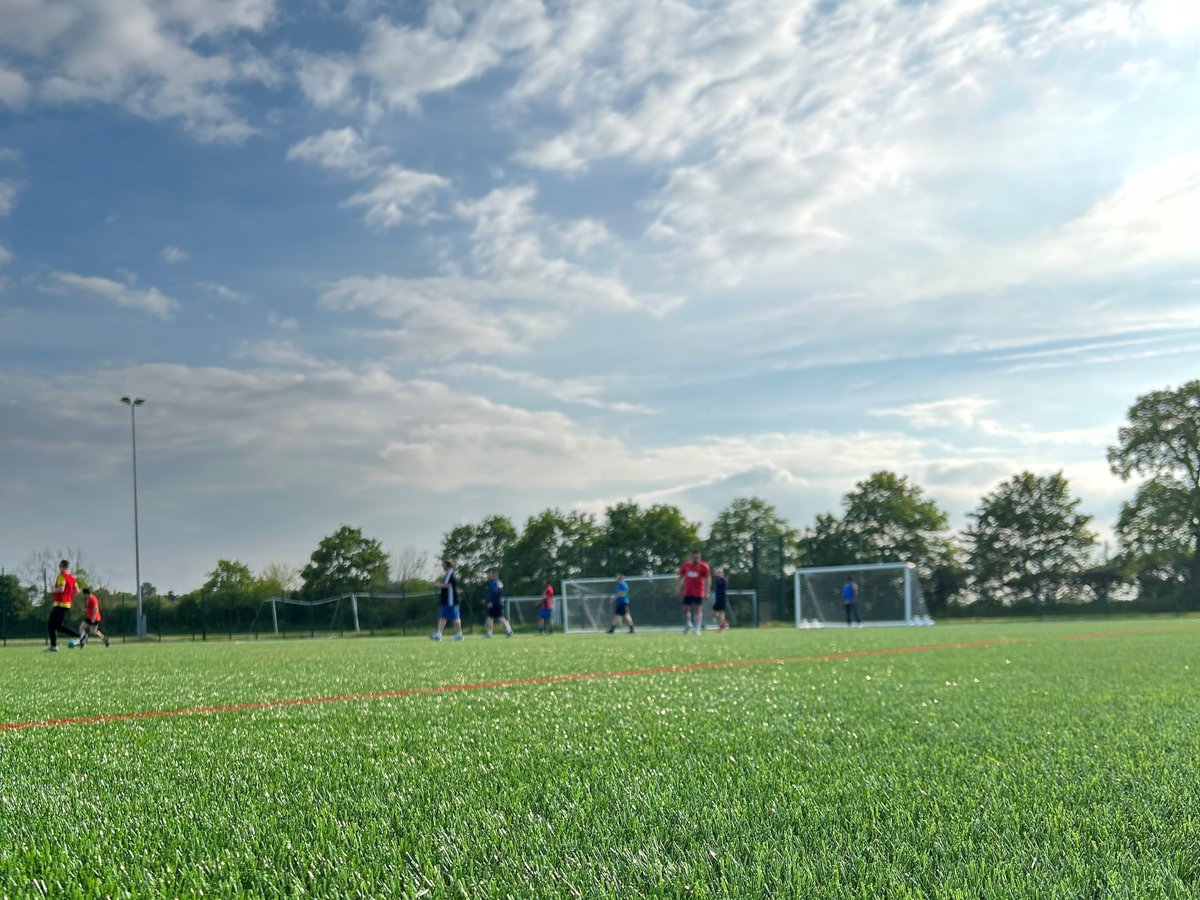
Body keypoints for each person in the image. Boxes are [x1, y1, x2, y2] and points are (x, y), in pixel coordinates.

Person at [46, 559, 80, 652]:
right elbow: (77, 591)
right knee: (53, 625)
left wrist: (53, 590)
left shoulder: (61, 576)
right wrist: (69, 594)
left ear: (61, 567)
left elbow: (61, 589)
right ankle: (53, 646)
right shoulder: (72, 578)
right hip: (66, 604)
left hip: (60, 604)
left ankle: (80, 636)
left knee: (56, 625)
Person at [677, 550, 710, 634]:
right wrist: (678, 588)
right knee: (685, 609)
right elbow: (681, 577)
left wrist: (707, 592)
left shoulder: (704, 566)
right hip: (688, 591)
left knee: (697, 610)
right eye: (695, 558)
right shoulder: (685, 565)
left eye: (698, 558)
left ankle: (697, 628)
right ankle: (688, 623)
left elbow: (708, 579)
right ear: (691, 557)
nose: (696, 559)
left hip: (699, 592)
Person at [430, 559, 464, 641]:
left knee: (455, 617)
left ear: (448, 565)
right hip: (448, 600)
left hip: (451, 600)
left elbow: (447, 585)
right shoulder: (448, 574)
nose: (443, 566)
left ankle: (459, 635)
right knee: (443, 617)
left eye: (444, 565)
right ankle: (439, 634)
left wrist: (437, 584)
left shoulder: (450, 574)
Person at [482, 568, 512, 638]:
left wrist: (488, 601)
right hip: (497, 602)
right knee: (495, 618)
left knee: (493, 618)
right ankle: (508, 630)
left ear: (494, 574)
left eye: (490, 573)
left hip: (495, 603)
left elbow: (495, 594)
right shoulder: (498, 582)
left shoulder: (494, 583)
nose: (488, 575)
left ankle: (508, 630)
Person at [712, 566, 730, 632]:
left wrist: (720, 576)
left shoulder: (724, 579)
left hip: (722, 599)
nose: (717, 573)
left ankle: (721, 627)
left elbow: (724, 585)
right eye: (717, 572)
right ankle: (724, 623)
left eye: (719, 572)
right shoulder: (716, 579)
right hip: (717, 599)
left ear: (722, 573)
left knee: (721, 612)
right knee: (715, 614)